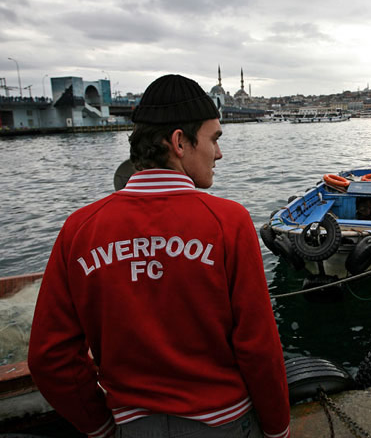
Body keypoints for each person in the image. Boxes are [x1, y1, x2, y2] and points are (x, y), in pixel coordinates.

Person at [28, 74, 291, 438]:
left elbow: (50, 357)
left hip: (130, 425)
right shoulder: (229, 223)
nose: (219, 153)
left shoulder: (79, 228)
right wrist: (277, 428)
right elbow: (259, 348)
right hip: (223, 422)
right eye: (214, 139)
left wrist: (101, 427)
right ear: (180, 142)